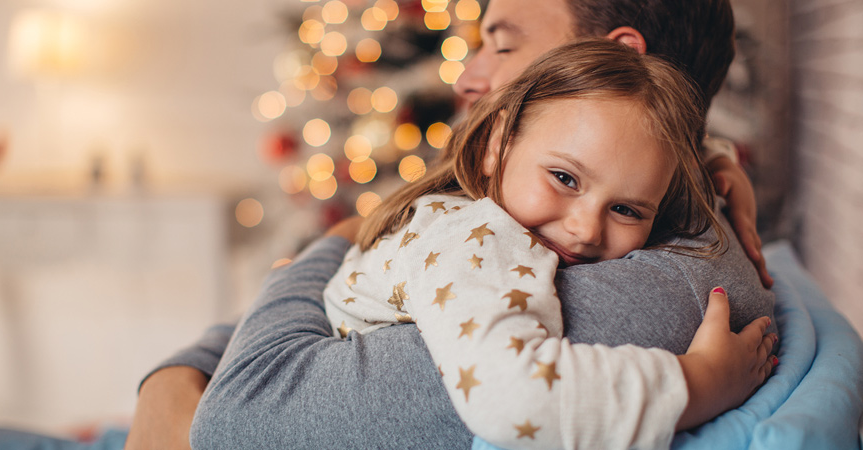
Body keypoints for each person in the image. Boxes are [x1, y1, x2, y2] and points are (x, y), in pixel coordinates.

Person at [128, 0, 779, 449]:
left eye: (502, 42)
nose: (469, 75)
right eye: (565, 179)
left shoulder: (653, 283)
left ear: (604, 60)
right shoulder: (486, 235)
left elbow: (239, 418)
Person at [318, 39, 776, 448]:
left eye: (627, 210)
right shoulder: (475, 241)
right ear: (499, 144)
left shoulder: (502, 209)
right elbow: (515, 400)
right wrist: (700, 382)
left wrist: (718, 161)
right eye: (564, 178)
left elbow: (635, 157)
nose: (586, 229)